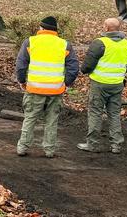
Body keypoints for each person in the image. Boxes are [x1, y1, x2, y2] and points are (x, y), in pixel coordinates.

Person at [15, 15, 79, 158]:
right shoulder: (64, 44)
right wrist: (66, 83)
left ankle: (22, 147)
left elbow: (20, 65)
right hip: (55, 90)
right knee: (51, 121)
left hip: (34, 89)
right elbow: (74, 68)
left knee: (30, 118)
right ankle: (49, 150)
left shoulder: (30, 42)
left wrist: (22, 81)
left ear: (41, 28)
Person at [78, 17, 127, 155]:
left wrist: (85, 71)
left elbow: (87, 66)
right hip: (117, 84)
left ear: (106, 28)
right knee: (114, 114)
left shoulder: (99, 43)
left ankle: (92, 144)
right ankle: (116, 145)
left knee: (95, 113)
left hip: (99, 84)